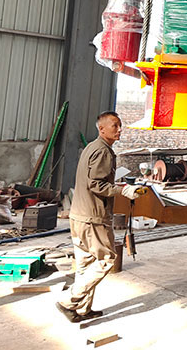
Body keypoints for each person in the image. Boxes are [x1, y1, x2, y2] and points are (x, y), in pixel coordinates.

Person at [56, 111, 146, 323]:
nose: (119, 129)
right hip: (93, 217)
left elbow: (93, 180)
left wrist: (119, 187)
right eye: (114, 125)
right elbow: (95, 184)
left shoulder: (91, 147)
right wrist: (123, 190)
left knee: (86, 265)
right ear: (102, 128)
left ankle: (82, 309)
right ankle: (69, 301)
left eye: (120, 125)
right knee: (106, 260)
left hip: (79, 215)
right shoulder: (103, 151)